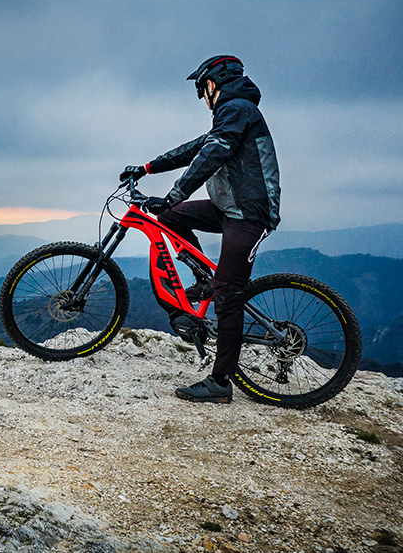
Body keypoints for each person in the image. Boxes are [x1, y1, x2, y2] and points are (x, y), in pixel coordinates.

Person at [119, 55, 281, 403]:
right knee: (173, 217)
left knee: (227, 296)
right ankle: (203, 279)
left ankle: (221, 382)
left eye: (200, 90)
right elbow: (195, 149)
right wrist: (147, 168)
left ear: (211, 84)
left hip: (249, 216)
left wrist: (174, 192)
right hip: (228, 208)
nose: (201, 98)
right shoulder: (233, 113)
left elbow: (211, 156)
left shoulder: (237, 109)